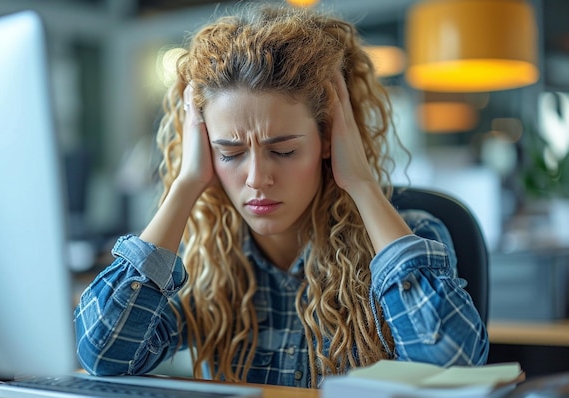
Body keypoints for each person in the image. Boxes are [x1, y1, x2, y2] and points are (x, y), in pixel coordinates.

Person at [74, 3, 489, 389]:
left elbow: (453, 371)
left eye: (284, 151)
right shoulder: (202, 258)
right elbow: (104, 355)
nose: (257, 178)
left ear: (328, 139)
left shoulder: (415, 233)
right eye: (230, 153)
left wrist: (361, 183)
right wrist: (186, 184)